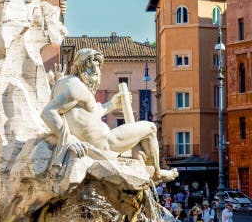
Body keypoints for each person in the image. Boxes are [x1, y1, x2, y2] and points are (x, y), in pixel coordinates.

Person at [42, 48, 177, 184]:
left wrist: (112, 104)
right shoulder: (75, 88)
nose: (96, 71)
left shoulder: (72, 84)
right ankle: (157, 173)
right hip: (107, 143)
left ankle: (145, 166)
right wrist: (70, 139)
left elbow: (90, 116)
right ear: (82, 67)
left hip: (103, 142)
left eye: (98, 66)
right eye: (92, 66)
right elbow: (47, 113)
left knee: (141, 139)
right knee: (151, 128)